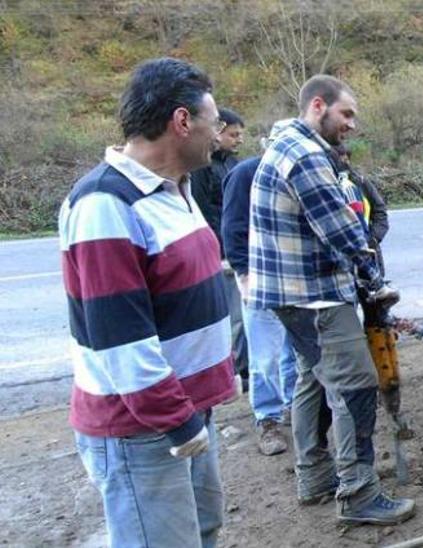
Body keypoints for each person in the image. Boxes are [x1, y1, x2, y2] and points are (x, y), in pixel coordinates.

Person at [60, 57, 236, 547]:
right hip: (145, 429)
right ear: (182, 122)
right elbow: (121, 341)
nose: (218, 133)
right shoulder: (105, 204)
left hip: (185, 411)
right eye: (213, 121)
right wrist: (178, 423)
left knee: (201, 532)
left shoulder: (174, 189)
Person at [248, 75, 414, 525]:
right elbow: (343, 230)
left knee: (311, 379)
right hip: (316, 297)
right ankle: (359, 493)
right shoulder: (305, 156)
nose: (352, 125)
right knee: (356, 385)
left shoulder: (286, 146)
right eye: (347, 114)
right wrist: (375, 283)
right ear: (317, 106)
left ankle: (313, 476)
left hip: (296, 296)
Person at [223, 120, 298, 456]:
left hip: (294, 278)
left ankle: (297, 408)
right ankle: (267, 419)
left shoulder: (298, 171)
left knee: (293, 353)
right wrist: (244, 274)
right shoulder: (246, 173)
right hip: (259, 278)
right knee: (264, 356)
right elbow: (233, 226)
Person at [190, 106, 249, 391]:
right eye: (234, 134)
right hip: (221, 253)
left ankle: (244, 366)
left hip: (238, 248)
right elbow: (204, 211)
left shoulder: (235, 164)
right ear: (219, 131)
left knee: (243, 314)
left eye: (240, 135)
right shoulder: (203, 168)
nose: (239, 140)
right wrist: (219, 252)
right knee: (233, 316)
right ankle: (233, 369)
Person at [332, 144, 390, 272]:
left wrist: (373, 238)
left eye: (346, 160)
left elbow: (380, 211)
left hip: (368, 250)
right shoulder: (328, 185)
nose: (344, 165)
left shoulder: (361, 182)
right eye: (339, 161)